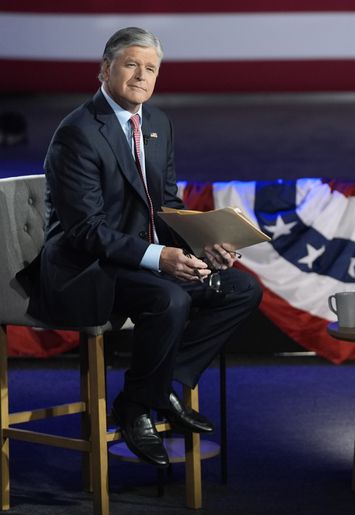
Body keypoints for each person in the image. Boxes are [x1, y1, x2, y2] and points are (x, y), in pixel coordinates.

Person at [16, 27, 263, 468]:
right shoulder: (77, 133)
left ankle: (163, 387)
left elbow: (165, 204)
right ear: (104, 70)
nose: (141, 76)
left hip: (139, 262)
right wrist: (161, 259)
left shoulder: (159, 123)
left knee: (240, 289)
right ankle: (133, 411)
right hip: (84, 268)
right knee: (167, 297)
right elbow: (85, 232)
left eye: (151, 68)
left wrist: (204, 244)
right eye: (132, 65)